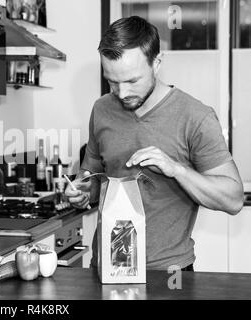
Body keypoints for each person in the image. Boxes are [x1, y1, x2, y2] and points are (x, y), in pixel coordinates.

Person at [65, 16, 244, 271]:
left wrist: (177, 170)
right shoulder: (102, 109)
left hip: (168, 273)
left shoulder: (196, 116)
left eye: (131, 81)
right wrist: (82, 191)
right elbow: (92, 177)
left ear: (156, 63)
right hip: (106, 268)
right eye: (112, 81)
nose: (122, 93)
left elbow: (234, 200)